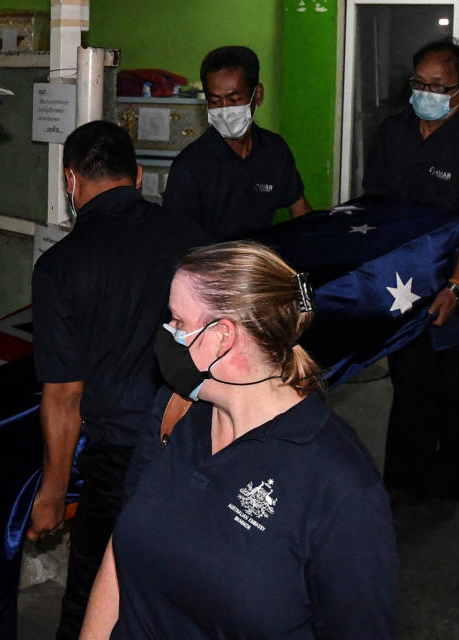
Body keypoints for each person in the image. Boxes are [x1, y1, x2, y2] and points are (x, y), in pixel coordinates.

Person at [81, 241, 399, 639]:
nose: (167, 333)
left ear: (222, 338)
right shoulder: (174, 414)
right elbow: (122, 547)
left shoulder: (342, 488)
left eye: (178, 322)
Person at [27, 120, 211, 640]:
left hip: (119, 463)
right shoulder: (195, 240)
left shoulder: (60, 268)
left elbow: (64, 395)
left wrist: (54, 490)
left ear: (70, 181)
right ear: (136, 175)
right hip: (195, 445)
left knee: (95, 598)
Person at [363, 38, 459, 502]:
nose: (425, 92)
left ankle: (448, 482)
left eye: (437, 85)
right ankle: (403, 478)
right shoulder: (394, 133)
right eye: (418, 83)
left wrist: (457, 286)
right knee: (410, 382)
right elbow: (376, 207)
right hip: (408, 285)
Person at [162, 46, 312, 240]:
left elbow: (300, 212)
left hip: (259, 262)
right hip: (210, 266)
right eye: (215, 102)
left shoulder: (274, 150)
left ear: (257, 95)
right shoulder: (190, 167)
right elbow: (174, 241)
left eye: (234, 100)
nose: (224, 111)